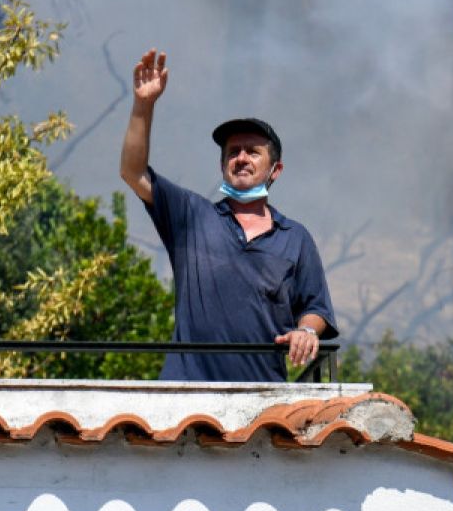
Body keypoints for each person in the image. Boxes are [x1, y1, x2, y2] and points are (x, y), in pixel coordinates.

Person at [119, 48, 338, 382]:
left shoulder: (295, 238)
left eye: (253, 151)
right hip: (187, 396)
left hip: (263, 404)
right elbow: (133, 173)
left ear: (275, 169)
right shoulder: (192, 217)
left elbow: (317, 308)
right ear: (222, 165)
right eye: (233, 152)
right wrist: (143, 105)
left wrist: (306, 330)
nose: (241, 158)